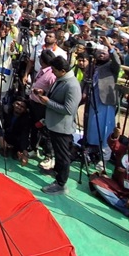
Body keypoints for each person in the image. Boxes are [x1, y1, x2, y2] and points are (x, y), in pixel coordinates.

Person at [36, 56, 82, 195]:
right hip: (54, 124)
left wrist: (48, 102)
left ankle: (61, 183)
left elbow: (69, 109)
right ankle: (57, 173)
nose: (53, 73)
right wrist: (44, 94)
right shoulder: (61, 80)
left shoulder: (72, 85)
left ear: (63, 70)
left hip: (62, 128)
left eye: (55, 70)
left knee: (62, 156)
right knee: (57, 153)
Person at [89, 129, 129, 224]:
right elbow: (113, 144)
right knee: (96, 181)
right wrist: (115, 135)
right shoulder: (123, 151)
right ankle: (127, 212)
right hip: (117, 188)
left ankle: (110, 200)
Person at [84, 37, 122, 165]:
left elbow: (117, 61)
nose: (101, 54)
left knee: (105, 128)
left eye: (104, 53)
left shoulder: (112, 66)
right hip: (92, 99)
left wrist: (109, 46)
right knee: (92, 126)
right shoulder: (92, 65)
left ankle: (104, 157)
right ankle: (92, 150)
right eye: (100, 52)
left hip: (105, 101)